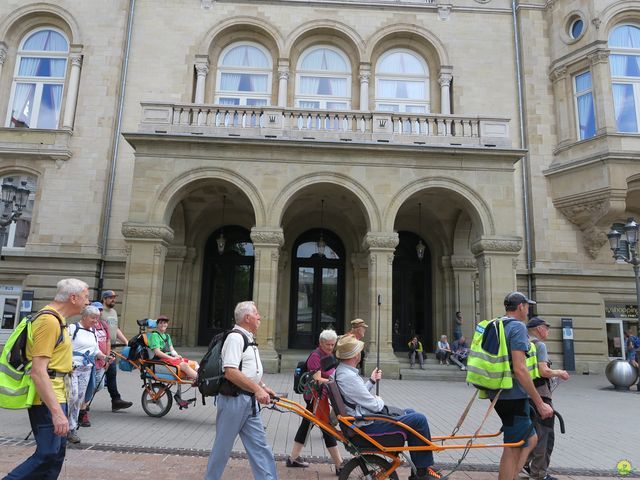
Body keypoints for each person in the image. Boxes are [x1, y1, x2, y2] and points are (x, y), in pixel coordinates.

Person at [4, 278, 90, 480]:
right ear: (73, 297)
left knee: (56, 455)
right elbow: (38, 371)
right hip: (48, 397)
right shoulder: (49, 321)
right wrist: (57, 413)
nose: (88, 302)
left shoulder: (58, 320)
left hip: (59, 393)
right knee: (47, 454)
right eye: (86, 297)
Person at [333, 335, 441, 480]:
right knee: (419, 419)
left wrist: (371, 381)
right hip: (365, 426)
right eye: (358, 350)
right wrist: (379, 399)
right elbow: (374, 404)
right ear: (354, 355)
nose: (360, 353)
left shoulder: (343, 372)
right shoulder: (348, 376)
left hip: (362, 421)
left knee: (410, 413)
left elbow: (356, 397)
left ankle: (421, 468)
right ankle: (423, 472)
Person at [205, 301, 278, 480]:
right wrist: (257, 390)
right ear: (247, 318)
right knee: (223, 447)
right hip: (234, 401)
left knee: (260, 446)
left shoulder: (247, 337)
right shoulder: (236, 338)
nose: (260, 317)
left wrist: (262, 387)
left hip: (249, 401)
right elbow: (230, 371)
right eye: (256, 313)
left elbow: (247, 370)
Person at [486, 292, 553, 480]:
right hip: (512, 395)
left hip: (499, 391)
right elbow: (520, 369)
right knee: (514, 446)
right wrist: (539, 403)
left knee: (529, 440)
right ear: (521, 306)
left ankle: (513, 475)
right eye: (527, 306)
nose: (528, 310)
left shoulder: (497, 323)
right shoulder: (517, 328)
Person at [287, 329, 343, 474]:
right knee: (327, 428)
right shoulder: (315, 356)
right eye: (328, 345)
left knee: (306, 425)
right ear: (321, 343)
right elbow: (317, 379)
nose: (330, 347)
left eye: (332, 344)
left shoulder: (329, 354)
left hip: (322, 397)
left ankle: (293, 458)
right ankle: (339, 465)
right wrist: (334, 381)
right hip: (316, 398)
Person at [521, 317, 570, 480]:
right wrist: (559, 372)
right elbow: (543, 371)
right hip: (540, 395)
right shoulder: (539, 345)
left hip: (523, 395)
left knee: (529, 434)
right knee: (545, 436)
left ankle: (522, 467)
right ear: (539, 329)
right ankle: (539, 474)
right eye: (546, 328)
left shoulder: (522, 343)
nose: (548, 331)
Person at [67, 305, 109, 444]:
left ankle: (71, 429)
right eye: (93, 318)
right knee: (72, 397)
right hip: (72, 369)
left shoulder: (93, 332)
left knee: (79, 399)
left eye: (97, 318)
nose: (96, 321)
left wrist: (104, 357)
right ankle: (61, 426)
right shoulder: (73, 328)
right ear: (84, 316)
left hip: (87, 369)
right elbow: (63, 347)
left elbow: (95, 350)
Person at [78, 301, 112, 428]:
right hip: (85, 365)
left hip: (100, 362)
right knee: (84, 389)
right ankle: (82, 411)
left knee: (98, 386)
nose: (96, 319)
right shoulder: (80, 328)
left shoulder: (103, 325)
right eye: (93, 315)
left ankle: (83, 405)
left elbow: (104, 342)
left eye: (99, 312)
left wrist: (105, 357)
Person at [100, 290, 133, 412]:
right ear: (104, 299)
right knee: (97, 377)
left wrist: (125, 340)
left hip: (112, 348)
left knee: (111, 373)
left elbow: (115, 329)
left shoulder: (113, 312)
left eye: (114, 297)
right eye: (111, 298)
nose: (113, 300)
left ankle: (116, 400)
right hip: (102, 349)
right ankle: (83, 403)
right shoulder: (100, 311)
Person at [148, 315, 198, 381]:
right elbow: (157, 352)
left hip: (170, 358)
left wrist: (176, 355)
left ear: (167, 324)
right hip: (161, 360)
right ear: (157, 325)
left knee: (194, 363)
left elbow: (172, 350)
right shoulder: (155, 335)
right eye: (160, 323)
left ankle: (200, 377)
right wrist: (172, 358)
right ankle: (200, 381)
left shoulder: (167, 336)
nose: (163, 324)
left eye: (165, 323)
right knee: (184, 365)